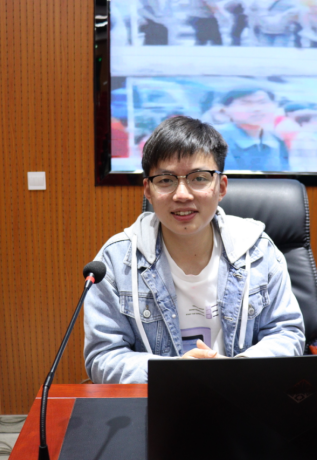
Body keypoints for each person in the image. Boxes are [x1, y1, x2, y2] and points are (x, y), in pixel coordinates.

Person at [84, 116, 305, 384]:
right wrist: (174, 372)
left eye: (199, 178)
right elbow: (103, 357)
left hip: (242, 395)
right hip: (158, 400)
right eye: (165, 180)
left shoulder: (258, 250)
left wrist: (240, 369)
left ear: (221, 187)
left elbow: (287, 333)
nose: (182, 195)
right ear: (148, 190)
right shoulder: (116, 260)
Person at [218, 88, 290, 171]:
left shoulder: (276, 140)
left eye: (262, 102)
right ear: (226, 109)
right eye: (245, 103)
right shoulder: (215, 139)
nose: (257, 109)